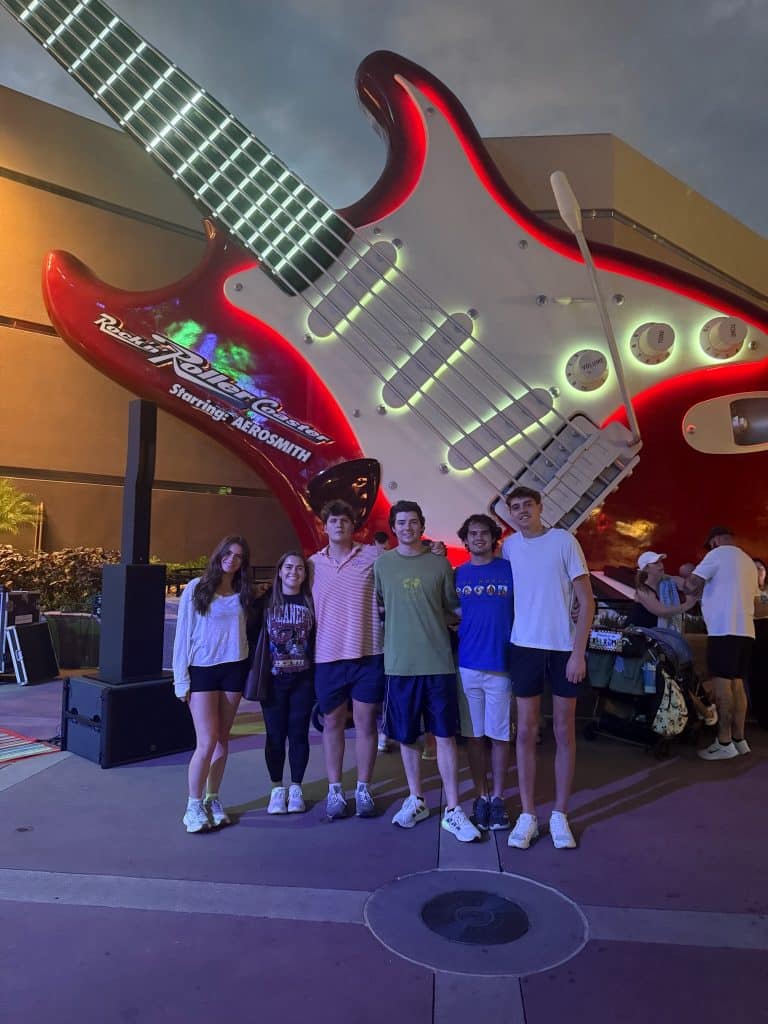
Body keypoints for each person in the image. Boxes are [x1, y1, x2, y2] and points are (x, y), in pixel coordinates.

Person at [375, 500, 480, 842]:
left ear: (422, 525)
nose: (407, 527)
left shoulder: (440, 564)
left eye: (413, 522)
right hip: (399, 666)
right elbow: (380, 604)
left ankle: (453, 808)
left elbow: (453, 609)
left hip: (438, 663)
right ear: (394, 527)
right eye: (401, 522)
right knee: (405, 736)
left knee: (445, 736)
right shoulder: (382, 565)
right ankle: (416, 798)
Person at [501, 486, 595, 850]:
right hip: (524, 646)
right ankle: (527, 814)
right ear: (510, 513)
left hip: (562, 649)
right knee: (524, 733)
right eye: (515, 507)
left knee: (563, 731)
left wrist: (578, 653)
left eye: (527, 505)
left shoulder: (564, 541)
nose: (522, 511)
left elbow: (586, 600)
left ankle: (559, 814)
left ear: (540, 507)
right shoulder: (509, 547)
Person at [309, 500, 386, 819]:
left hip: (368, 654)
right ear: (324, 527)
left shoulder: (373, 556)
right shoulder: (311, 564)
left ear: (354, 526)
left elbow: (403, 567)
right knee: (332, 723)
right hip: (327, 657)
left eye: (345, 520)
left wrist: (434, 551)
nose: (339, 525)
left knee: (367, 723)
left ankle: (364, 788)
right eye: (333, 520)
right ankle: (336, 790)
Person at [172, 536, 252, 834]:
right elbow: (182, 636)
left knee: (222, 739)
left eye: (239, 556)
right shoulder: (196, 588)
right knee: (205, 741)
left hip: (233, 670)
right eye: (228, 553)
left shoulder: (243, 592)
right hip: (202, 670)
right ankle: (192, 805)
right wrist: (181, 681)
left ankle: (212, 798)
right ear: (218, 554)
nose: (232, 559)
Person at [454, 513, 515, 831]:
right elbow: (450, 612)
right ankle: (481, 796)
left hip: (502, 667)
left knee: (500, 736)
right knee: (475, 737)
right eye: (472, 533)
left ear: (494, 538)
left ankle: (498, 800)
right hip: (467, 666)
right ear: (465, 541)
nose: (478, 538)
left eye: (484, 533)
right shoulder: (458, 575)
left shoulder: (510, 571)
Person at [685, 526, 760, 760]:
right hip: (746, 631)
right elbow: (756, 602)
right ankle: (739, 740)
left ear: (715, 541)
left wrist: (687, 577)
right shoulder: (747, 560)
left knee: (722, 686)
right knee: (738, 685)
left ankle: (724, 741)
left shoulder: (716, 555)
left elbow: (692, 584)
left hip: (723, 630)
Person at [260, 552, 315, 815]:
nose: (294, 572)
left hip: (302, 680)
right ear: (280, 571)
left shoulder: (311, 601)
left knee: (298, 735)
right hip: (273, 681)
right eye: (289, 567)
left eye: (300, 568)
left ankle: (296, 787)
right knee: (274, 736)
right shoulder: (265, 601)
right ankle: (276, 788)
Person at [630, 551, 697, 631]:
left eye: (660, 561)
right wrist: (688, 604)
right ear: (646, 568)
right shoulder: (642, 590)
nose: (660, 564)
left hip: (657, 637)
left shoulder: (670, 581)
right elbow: (662, 611)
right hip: (639, 635)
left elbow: (691, 587)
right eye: (656, 563)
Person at [749, 558, 768, 729]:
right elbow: (758, 611)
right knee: (759, 675)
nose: (758, 571)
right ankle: (761, 715)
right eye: (754, 568)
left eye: (760, 567)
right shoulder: (746, 591)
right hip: (756, 633)